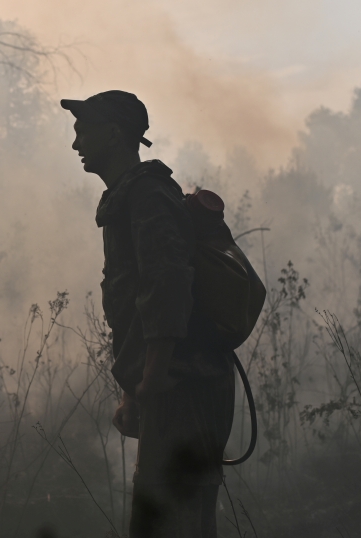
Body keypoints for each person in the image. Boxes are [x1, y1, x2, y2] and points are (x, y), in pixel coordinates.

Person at [61, 90, 235, 538]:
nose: (76, 144)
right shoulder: (131, 197)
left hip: (184, 385)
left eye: (84, 131)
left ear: (115, 134)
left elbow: (167, 288)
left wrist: (153, 378)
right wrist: (136, 393)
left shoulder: (149, 197)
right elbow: (142, 304)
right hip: (172, 383)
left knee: (173, 522)